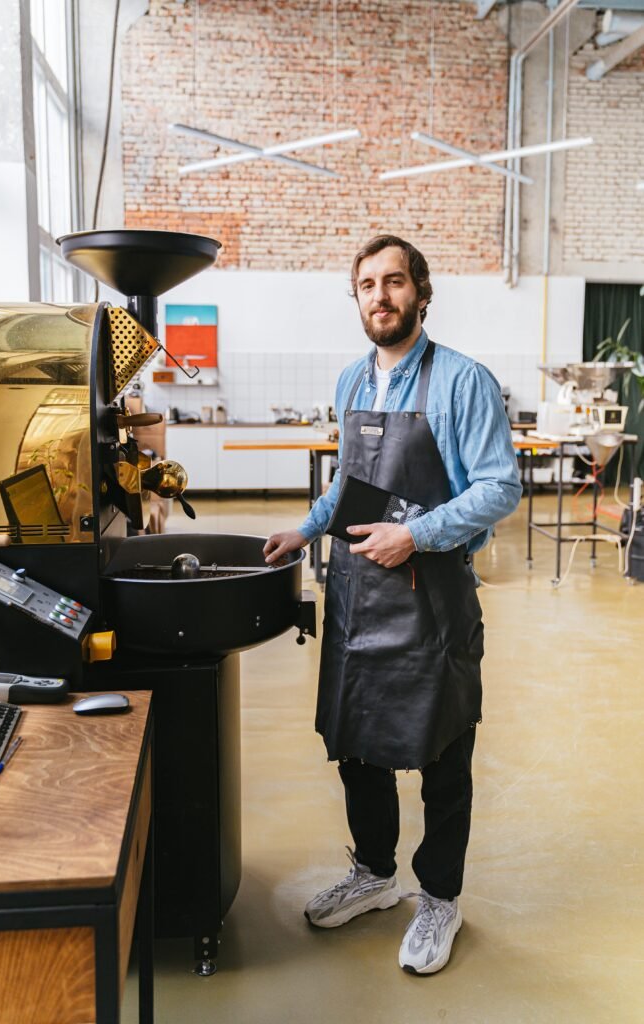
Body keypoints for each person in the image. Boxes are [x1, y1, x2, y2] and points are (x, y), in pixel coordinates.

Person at [263, 234, 522, 975]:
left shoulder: (461, 380)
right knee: (357, 749)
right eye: (367, 284)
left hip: (431, 603)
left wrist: (416, 534)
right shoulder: (351, 381)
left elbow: (498, 488)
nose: (380, 295)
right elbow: (349, 486)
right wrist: (305, 527)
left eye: (395, 281)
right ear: (357, 299)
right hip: (356, 598)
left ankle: (438, 896)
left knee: (443, 757)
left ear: (421, 292)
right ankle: (374, 875)